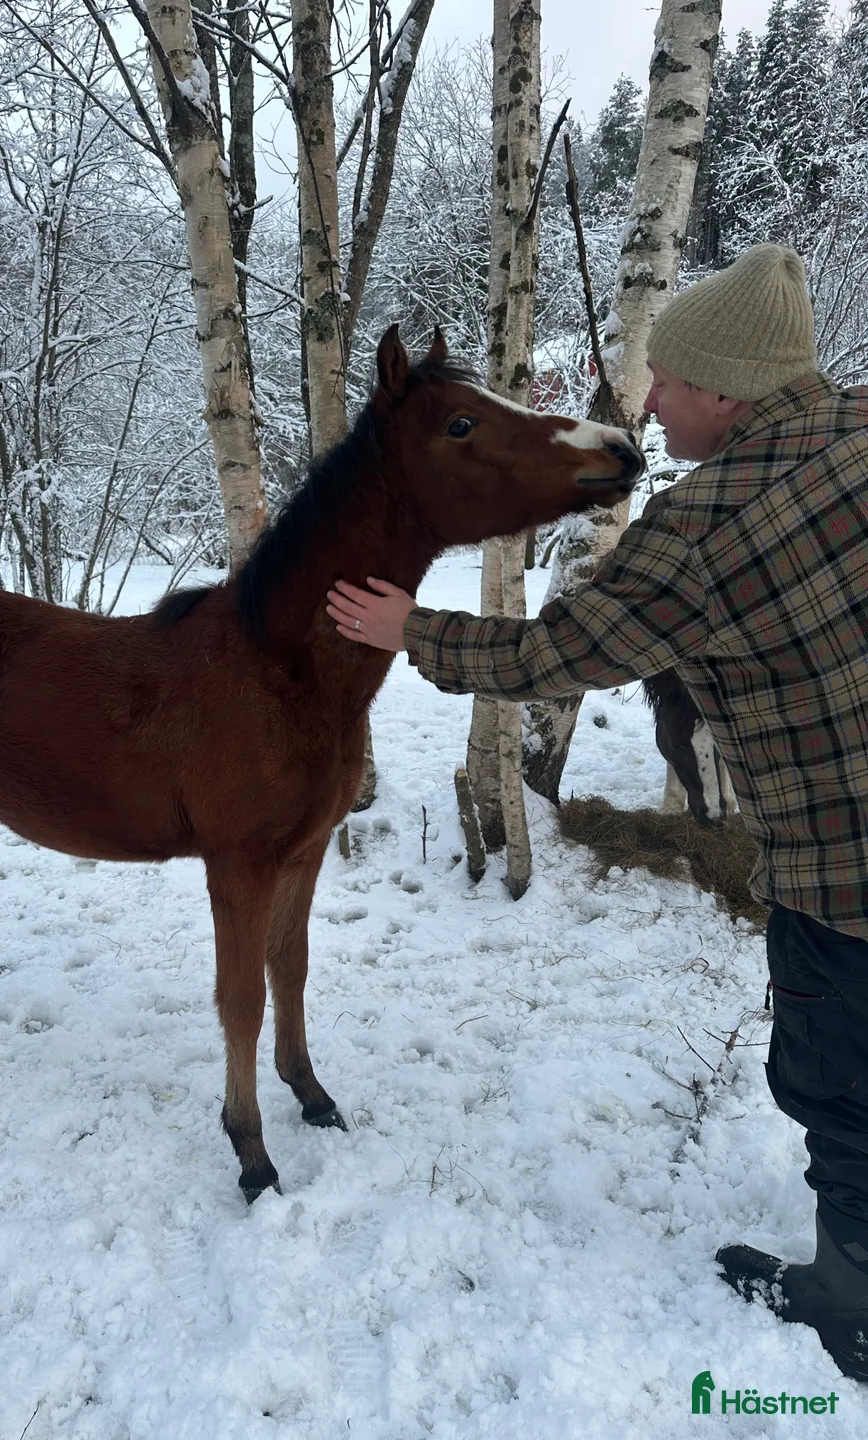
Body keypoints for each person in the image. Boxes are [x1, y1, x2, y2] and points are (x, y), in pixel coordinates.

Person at [326, 244, 868, 1381]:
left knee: (841, 1083)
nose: (649, 400)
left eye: (668, 378)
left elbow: (554, 652)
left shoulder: (709, 527)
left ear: (727, 388)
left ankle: (851, 1306)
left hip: (844, 865)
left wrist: (408, 632)